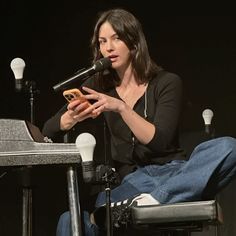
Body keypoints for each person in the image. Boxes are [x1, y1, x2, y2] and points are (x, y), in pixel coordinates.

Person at [42, 8, 236, 236]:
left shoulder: (166, 82)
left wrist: (121, 107)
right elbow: (49, 128)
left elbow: (160, 141)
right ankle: (134, 204)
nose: (108, 48)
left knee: (229, 147)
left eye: (116, 38)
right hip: (130, 184)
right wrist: (70, 118)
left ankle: (155, 200)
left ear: (134, 44)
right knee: (70, 218)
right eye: (103, 42)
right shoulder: (98, 86)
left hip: (172, 173)